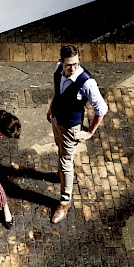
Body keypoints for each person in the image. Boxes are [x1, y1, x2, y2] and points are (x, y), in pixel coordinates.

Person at [46, 45, 107, 223]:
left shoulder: (87, 82)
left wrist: (89, 132)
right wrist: (51, 109)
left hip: (71, 126)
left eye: (76, 64)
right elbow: (58, 92)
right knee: (60, 149)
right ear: (61, 62)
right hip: (57, 120)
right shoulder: (58, 70)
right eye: (68, 65)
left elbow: (102, 109)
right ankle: (61, 176)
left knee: (66, 161)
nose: (72, 69)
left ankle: (65, 202)